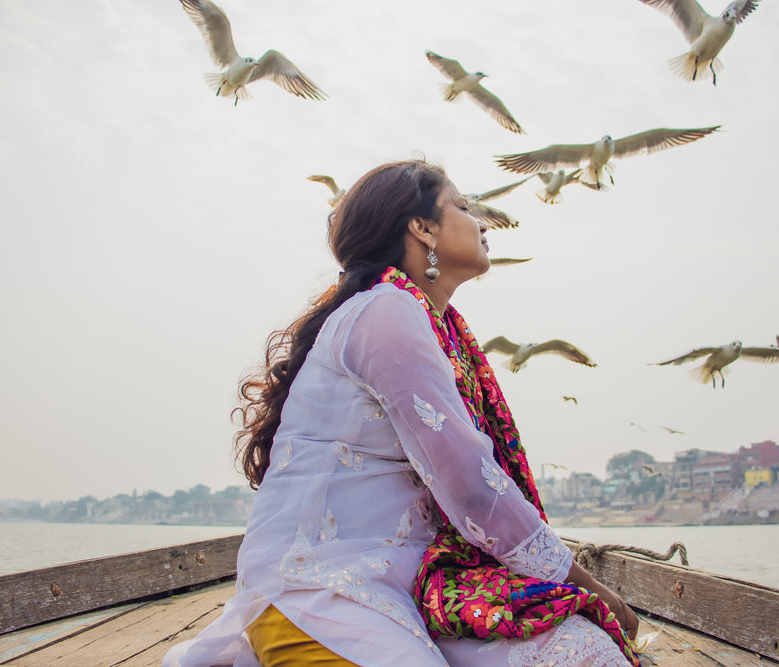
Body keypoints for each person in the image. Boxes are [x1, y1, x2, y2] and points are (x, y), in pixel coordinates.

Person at [163, 160, 638, 667]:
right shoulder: (385, 310)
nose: (481, 223)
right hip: (320, 590)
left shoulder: (438, 327)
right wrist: (587, 587)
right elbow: (471, 483)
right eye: (462, 206)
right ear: (423, 228)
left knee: (583, 652)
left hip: (419, 589)